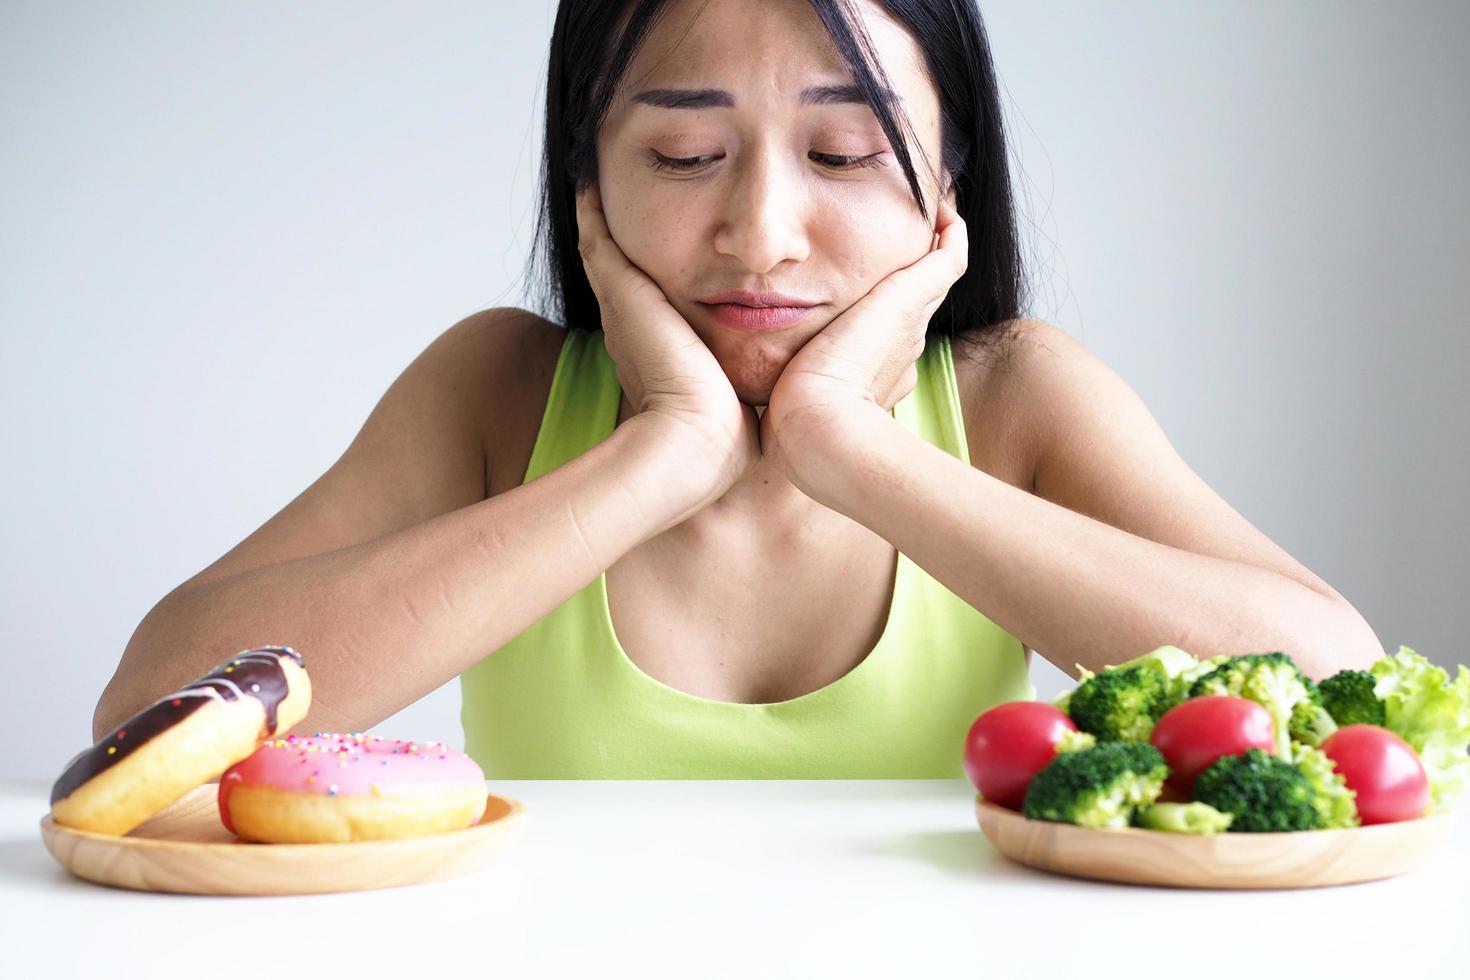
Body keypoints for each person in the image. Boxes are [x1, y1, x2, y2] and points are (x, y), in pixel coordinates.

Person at [92, 0, 1382, 777]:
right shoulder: (496, 392)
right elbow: (148, 709)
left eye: (843, 152)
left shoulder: (1013, 397)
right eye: (686, 152)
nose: (760, 232)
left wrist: (854, 451)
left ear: (948, 193)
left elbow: (1339, 688)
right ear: (586, 181)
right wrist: (665, 451)